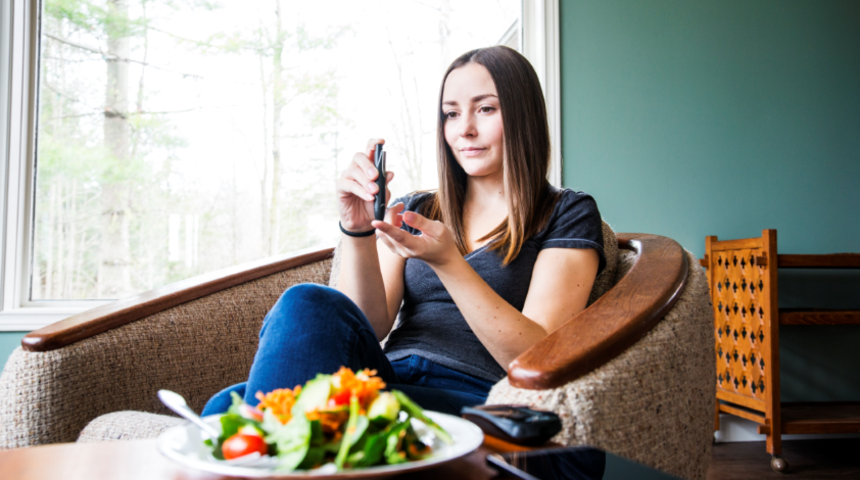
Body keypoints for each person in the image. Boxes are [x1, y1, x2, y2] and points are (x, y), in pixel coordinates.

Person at [202, 45, 605, 417]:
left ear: (524, 116)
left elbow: (537, 359)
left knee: (231, 413)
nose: (463, 129)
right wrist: (357, 230)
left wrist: (450, 264)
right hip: (387, 378)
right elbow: (368, 323)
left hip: (472, 397)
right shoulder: (419, 208)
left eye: (485, 109)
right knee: (305, 306)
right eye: (451, 113)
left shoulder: (566, 212)